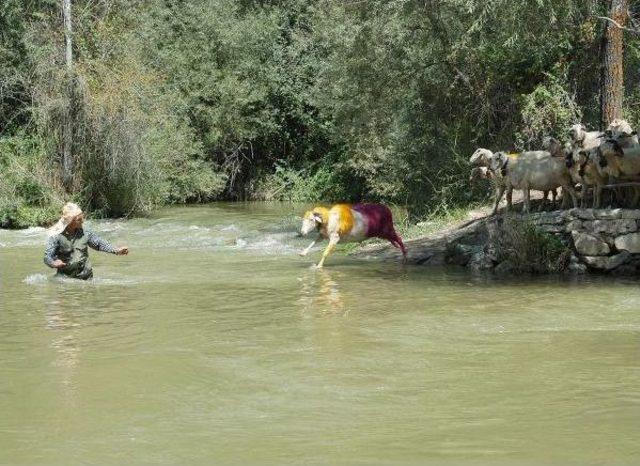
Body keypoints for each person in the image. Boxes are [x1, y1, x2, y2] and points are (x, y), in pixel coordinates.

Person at [44, 202, 129, 280]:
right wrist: (53, 263)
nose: (82, 221)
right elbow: (47, 257)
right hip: (65, 279)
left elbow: (99, 243)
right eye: (79, 220)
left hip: (86, 278)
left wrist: (116, 250)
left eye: (82, 218)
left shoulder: (86, 233)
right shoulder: (56, 236)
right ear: (70, 221)